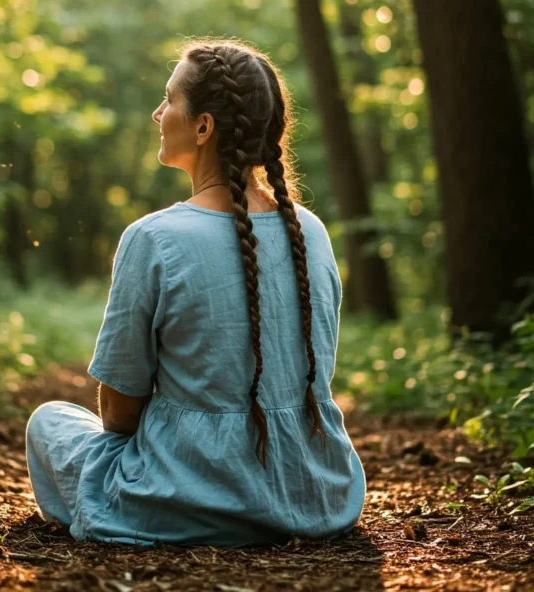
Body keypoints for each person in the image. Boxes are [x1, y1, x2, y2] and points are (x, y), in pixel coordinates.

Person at [25, 39, 366, 546]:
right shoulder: (309, 230)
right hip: (315, 495)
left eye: (169, 100)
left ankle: (155, 510)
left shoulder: (154, 239)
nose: (158, 113)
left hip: (181, 501)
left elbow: (119, 413)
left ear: (203, 126)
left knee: (49, 421)